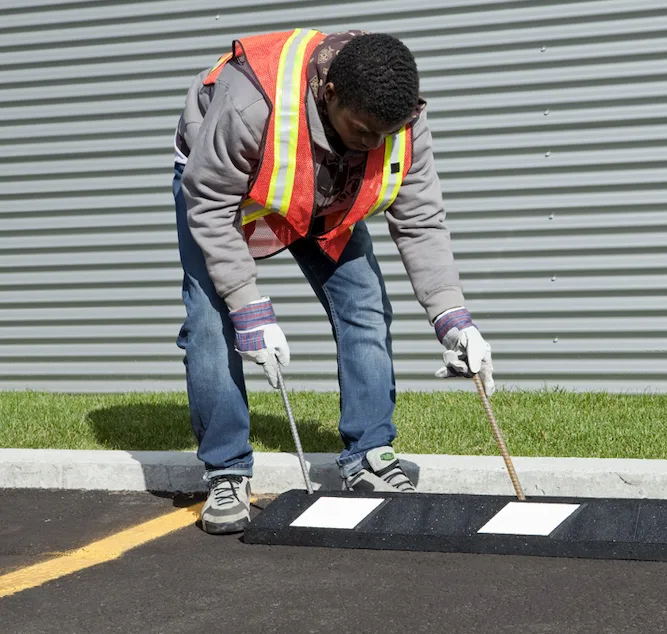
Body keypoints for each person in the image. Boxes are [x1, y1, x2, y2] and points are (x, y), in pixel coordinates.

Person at [171, 28, 495, 534]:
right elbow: (209, 206)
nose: (375, 143)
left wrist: (452, 318)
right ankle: (226, 471)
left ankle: (369, 454)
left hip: (324, 191)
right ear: (330, 93)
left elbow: (421, 220)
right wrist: (249, 307)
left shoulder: (399, 119)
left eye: (385, 134)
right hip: (222, 190)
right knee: (212, 322)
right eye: (364, 130)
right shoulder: (249, 105)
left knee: (363, 302)